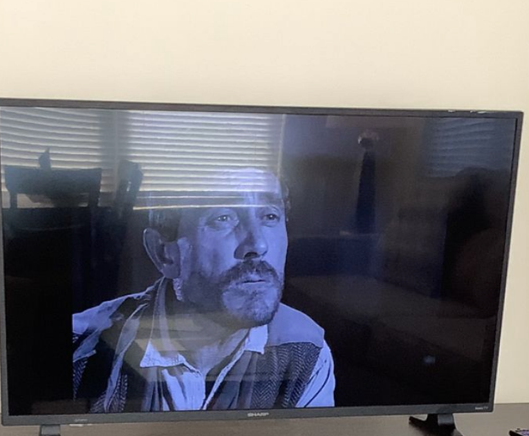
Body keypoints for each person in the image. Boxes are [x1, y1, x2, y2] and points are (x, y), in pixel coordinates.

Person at [71, 168, 335, 412]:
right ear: (165, 254)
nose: (258, 245)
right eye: (223, 218)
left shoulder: (305, 350)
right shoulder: (81, 351)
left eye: (270, 216)